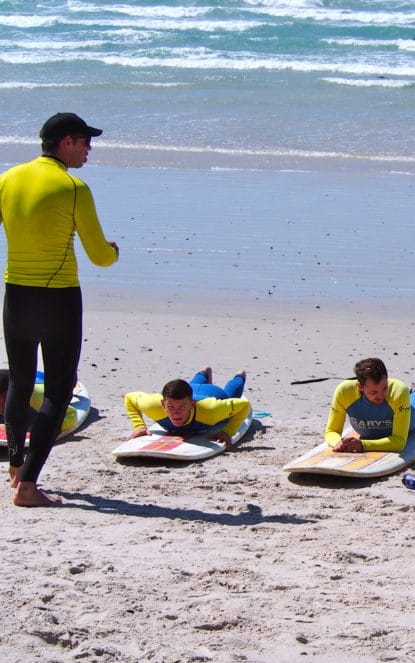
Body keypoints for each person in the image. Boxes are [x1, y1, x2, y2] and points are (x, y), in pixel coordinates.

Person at [1, 112, 119, 506]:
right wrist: (114, 252)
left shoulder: (8, 178)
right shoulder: (73, 187)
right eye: (86, 141)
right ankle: (30, 486)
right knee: (58, 390)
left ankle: (16, 467)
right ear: (66, 142)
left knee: (19, 382)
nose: (89, 149)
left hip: (15, 294)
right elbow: (100, 256)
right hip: (58, 299)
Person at [324, 357, 415, 453]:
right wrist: (339, 443)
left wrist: (364, 445)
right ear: (360, 387)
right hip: (368, 433)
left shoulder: (398, 391)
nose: (381, 396)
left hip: (408, 422)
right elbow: (331, 431)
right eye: (374, 392)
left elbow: (399, 442)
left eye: (384, 388)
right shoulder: (344, 392)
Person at [124, 367, 251, 447]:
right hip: (191, 390)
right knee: (191, 385)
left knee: (230, 393)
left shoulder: (212, 410)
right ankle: (204, 372)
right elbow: (129, 397)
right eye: (171, 407)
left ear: (192, 404)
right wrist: (139, 425)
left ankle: (240, 375)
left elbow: (244, 405)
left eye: (182, 407)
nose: (176, 413)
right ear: (163, 404)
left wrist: (227, 431)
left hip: (213, 393)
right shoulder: (152, 405)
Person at [0, 368, 81, 438]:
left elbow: (72, 414)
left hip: (49, 385)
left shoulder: (36, 398)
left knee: (66, 386)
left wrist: (47, 429)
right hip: (24, 377)